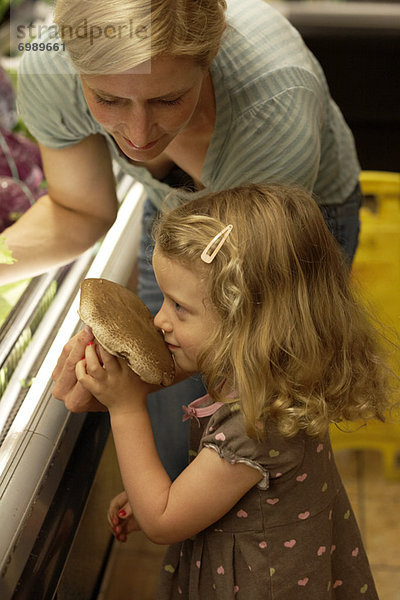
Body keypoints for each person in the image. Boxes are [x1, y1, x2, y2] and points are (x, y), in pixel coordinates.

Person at [4, 0, 362, 479]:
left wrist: (125, 385)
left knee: (254, 420)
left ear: (209, 59)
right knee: (173, 445)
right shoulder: (49, 64)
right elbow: (80, 210)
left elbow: (245, 333)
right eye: (108, 99)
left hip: (291, 217)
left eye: (167, 100)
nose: (136, 134)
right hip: (175, 199)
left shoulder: (273, 112)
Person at [74, 183, 391, 599]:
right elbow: (218, 488)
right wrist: (165, 493)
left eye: (180, 308)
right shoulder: (271, 379)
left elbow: (163, 521)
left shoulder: (255, 420)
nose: (159, 321)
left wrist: (126, 407)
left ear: (251, 322)